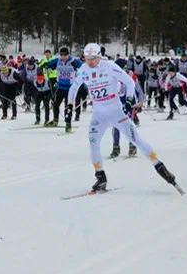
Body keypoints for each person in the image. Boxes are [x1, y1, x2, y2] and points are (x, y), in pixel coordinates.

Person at [68, 43, 179, 193]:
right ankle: (100, 177)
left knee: (136, 139)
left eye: (93, 58)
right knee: (93, 143)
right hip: (98, 114)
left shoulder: (109, 66)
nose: (90, 62)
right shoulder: (83, 69)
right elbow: (73, 88)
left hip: (115, 111)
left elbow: (129, 81)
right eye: (87, 59)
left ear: (99, 56)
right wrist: (69, 105)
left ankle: (160, 167)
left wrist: (128, 99)